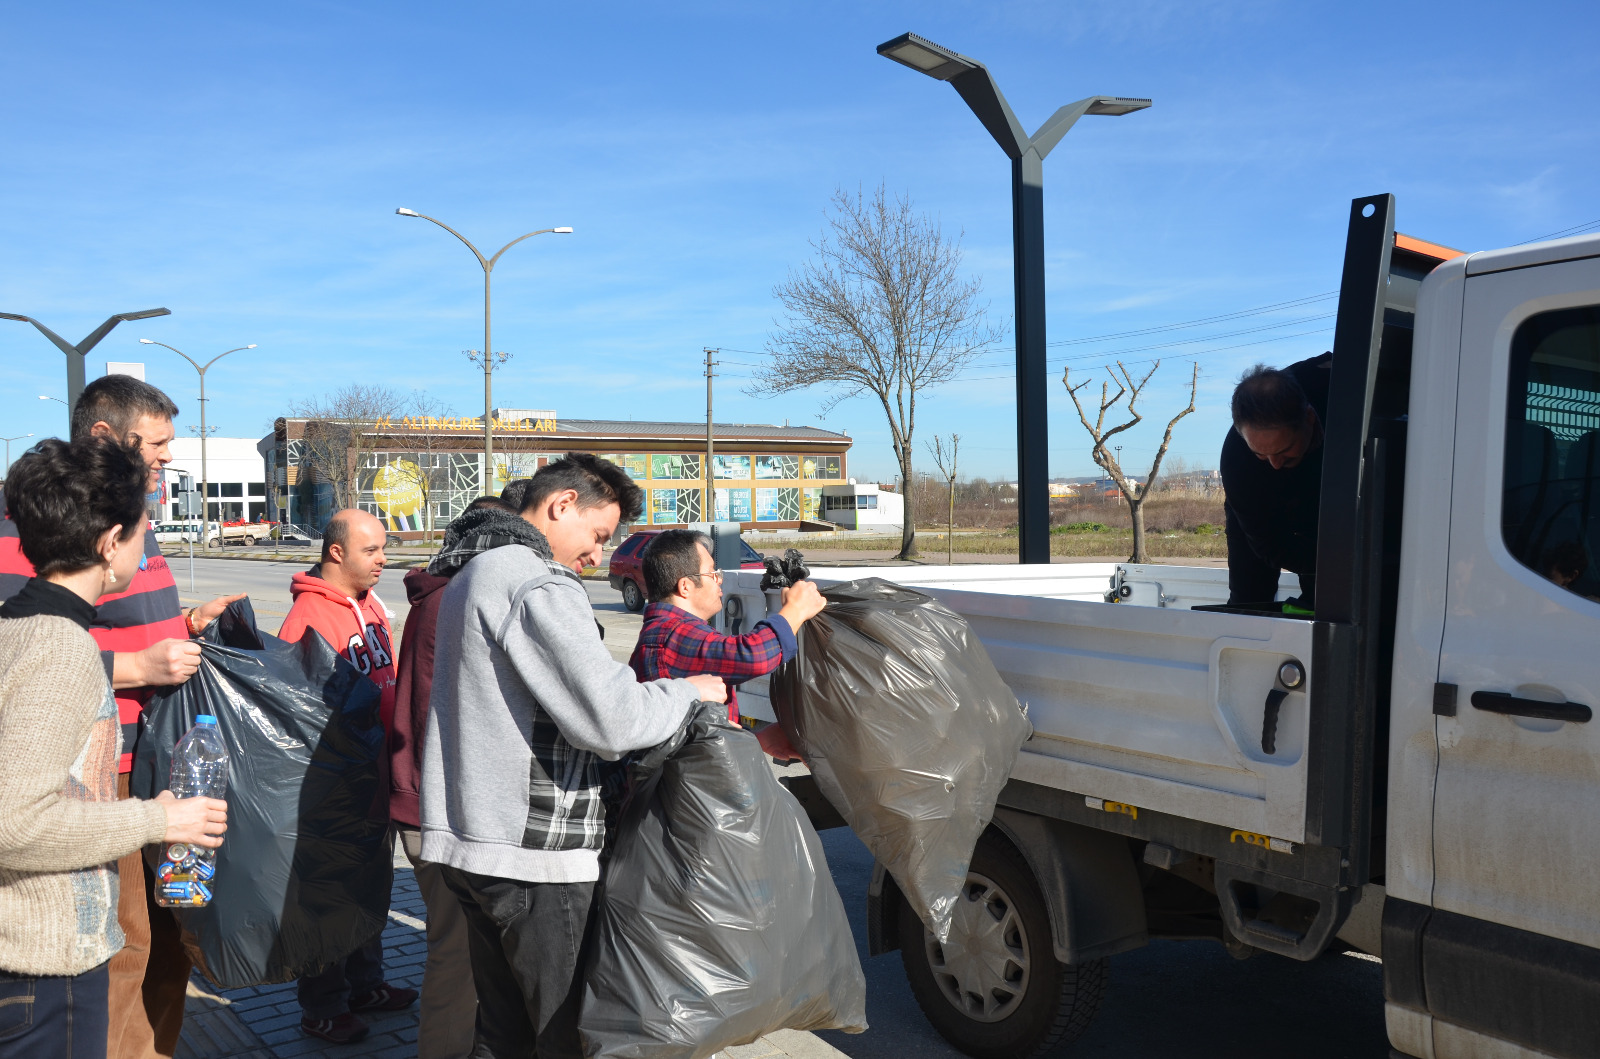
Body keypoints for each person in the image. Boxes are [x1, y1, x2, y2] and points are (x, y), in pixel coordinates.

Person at [421, 453, 727, 1059]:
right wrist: (688, 690)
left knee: (504, 1031)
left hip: (472, 842)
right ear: (562, 505)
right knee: (565, 1035)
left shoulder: (472, 572)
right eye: (598, 535)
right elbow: (610, 721)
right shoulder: (534, 579)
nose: (597, 555)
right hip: (535, 859)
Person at [0, 375, 243, 1059]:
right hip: (99, 807)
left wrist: (186, 625)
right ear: (109, 540)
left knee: (161, 953)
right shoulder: (51, 594)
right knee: (125, 954)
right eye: (158, 445)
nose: (167, 460)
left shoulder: (104, 524)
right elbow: (18, 811)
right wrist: (135, 669)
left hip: (141, 776)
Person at [277, 509, 416, 1044]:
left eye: (383, 548)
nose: (383, 559)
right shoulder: (310, 615)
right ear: (337, 553)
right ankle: (323, 1005)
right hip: (336, 784)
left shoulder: (369, 604)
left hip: (373, 773)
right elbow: (300, 710)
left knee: (368, 884)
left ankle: (366, 986)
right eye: (371, 550)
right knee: (329, 895)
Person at [390, 495, 512, 1059]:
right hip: (435, 808)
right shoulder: (454, 605)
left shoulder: (444, 597)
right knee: (457, 953)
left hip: (435, 801)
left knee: (469, 951)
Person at [628, 528, 825, 759]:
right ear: (685, 587)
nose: (719, 580)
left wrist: (756, 741)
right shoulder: (672, 635)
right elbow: (752, 655)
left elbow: (692, 732)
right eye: (711, 573)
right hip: (685, 792)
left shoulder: (664, 632)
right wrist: (795, 611)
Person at [1220, 355, 1332, 609]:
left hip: (1332, 486)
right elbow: (1270, 546)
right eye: (1262, 454)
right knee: (1248, 596)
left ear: (1310, 419)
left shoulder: (1340, 393)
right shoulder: (1238, 458)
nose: (1275, 464)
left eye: (1284, 451)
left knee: (1326, 598)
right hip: (1263, 501)